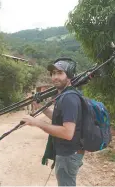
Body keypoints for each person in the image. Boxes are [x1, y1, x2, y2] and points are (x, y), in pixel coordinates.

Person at [21, 58, 84, 186]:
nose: (55, 77)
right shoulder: (65, 95)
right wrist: (41, 107)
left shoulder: (69, 98)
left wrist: (37, 123)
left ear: (70, 76)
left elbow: (67, 133)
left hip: (68, 155)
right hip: (69, 153)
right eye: (53, 73)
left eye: (60, 73)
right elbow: (58, 119)